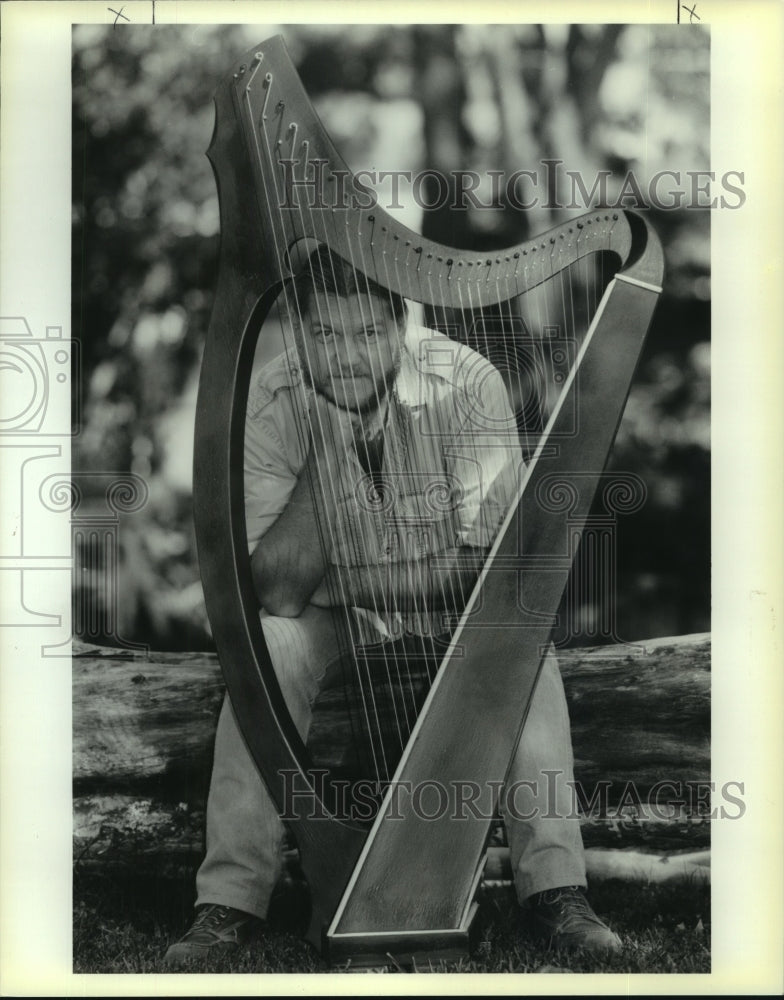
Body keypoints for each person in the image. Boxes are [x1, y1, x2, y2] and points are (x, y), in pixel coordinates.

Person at [164, 247, 621, 967]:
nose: (345, 357)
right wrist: (328, 444)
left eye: (367, 334)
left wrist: (346, 582)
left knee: (521, 642)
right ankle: (226, 903)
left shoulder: (466, 383)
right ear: (298, 329)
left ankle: (555, 891)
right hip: (331, 623)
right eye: (325, 335)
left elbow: (482, 575)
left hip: (452, 619)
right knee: (268, 644)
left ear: (400, 326)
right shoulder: (268, 398)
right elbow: (279, 591)